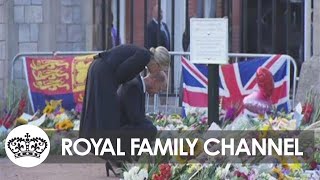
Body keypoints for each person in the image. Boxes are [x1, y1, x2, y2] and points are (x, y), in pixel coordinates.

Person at [80, 44, 170, 138]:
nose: (157, 72)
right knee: (106, 114)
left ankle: (90, 142)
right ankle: (103, 147)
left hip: (98, 67)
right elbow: (121, 74)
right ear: (157, 64)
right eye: (160, 69)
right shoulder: (144, 57)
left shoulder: (143, 54)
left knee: (94, 109)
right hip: (104, 72)